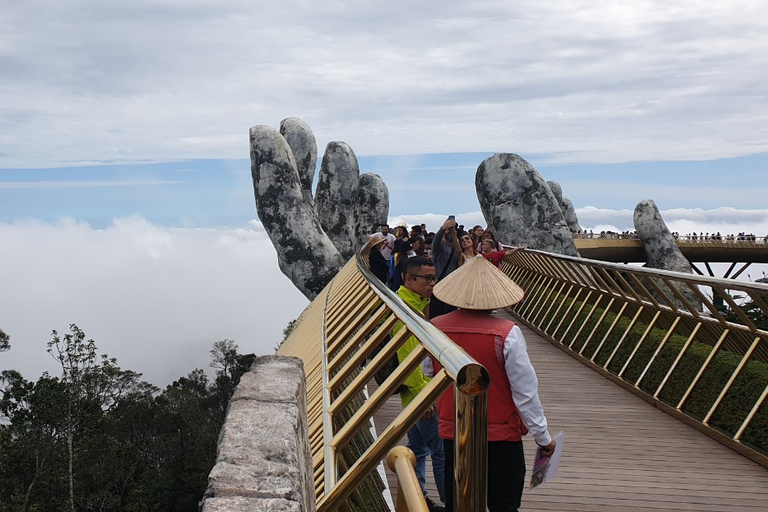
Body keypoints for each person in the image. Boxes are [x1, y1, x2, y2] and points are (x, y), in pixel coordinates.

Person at [430, 255, 556, 512]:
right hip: (499, 432)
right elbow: (524, 392)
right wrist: (543, 437)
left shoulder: (434, 328)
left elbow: (429, 375)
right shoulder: (507, 332)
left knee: (459, 502)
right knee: (504, 504)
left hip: (453, 429)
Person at [393, 256, 446, 511]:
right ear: (409, 279)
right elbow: (407, 357)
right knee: (441, 451)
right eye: (427, 278)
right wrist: (423, 396)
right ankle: (452, 502)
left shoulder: (416, 302)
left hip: (414, 395)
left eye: (434, 277)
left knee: (418, 449)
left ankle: (419, 496)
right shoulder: (404, 308)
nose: (432, 283)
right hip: (420, 395)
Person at [429, 217, 461, 318]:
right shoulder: (439, 247)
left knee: (450, 313)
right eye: (449, 230)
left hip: (452, 285)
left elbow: (460, 253)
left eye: (453, 229)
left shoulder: (456, 247)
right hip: (439, 283)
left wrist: (454, 234)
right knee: (437, 312)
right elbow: (436, 241)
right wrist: (443, 228)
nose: (450, 232)